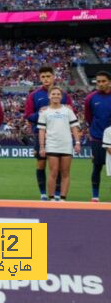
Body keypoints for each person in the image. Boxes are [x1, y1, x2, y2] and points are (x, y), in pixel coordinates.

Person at [24, 66, 74, 200]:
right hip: (40, 134)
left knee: (58, 167)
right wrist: (40, 112)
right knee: (41, 164)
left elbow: (71, 114)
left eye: (48, 76)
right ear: (40, 78)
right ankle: (43, 194)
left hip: (59, 137)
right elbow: (28, 116)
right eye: (43, 77)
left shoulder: (63, 95)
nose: (46, 79)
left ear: (53, 77)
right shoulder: (34, 95)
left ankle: (57, 194)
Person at [38, 87, 81, 201]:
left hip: (66, 145)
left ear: (61, 96)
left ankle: (62, 198)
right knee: (53, 171)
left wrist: (77, 142)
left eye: (58, 94)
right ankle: (51, 198)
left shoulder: (68, 110)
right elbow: (41, 130)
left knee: (65, 173)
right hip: (52, 144)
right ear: (49, 96)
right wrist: (42, 146)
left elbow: (74, 127)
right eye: (53, 94)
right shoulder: (44, 112)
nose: (56, 96)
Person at [84, 70, 111, 202]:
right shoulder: (90, 98)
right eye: (98, 81)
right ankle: (95, 196)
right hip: (98, 139)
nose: (100, 84)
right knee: (97, 167)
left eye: (103, 81)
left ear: (109, 82)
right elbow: (89, 118)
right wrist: (95, 133)